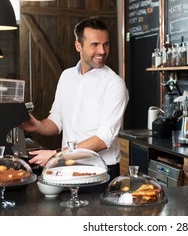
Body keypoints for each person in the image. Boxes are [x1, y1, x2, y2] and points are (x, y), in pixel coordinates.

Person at [19, 16, 129, 189]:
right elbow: (57, 120)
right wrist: (38, 126)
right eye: (95, 44)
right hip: (67, 166)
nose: (102, 51)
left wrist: (56, 155)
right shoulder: (66, 76)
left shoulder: (115, 84)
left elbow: (103, 139)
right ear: (78, 45)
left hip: (100, 170)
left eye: (105, 44)